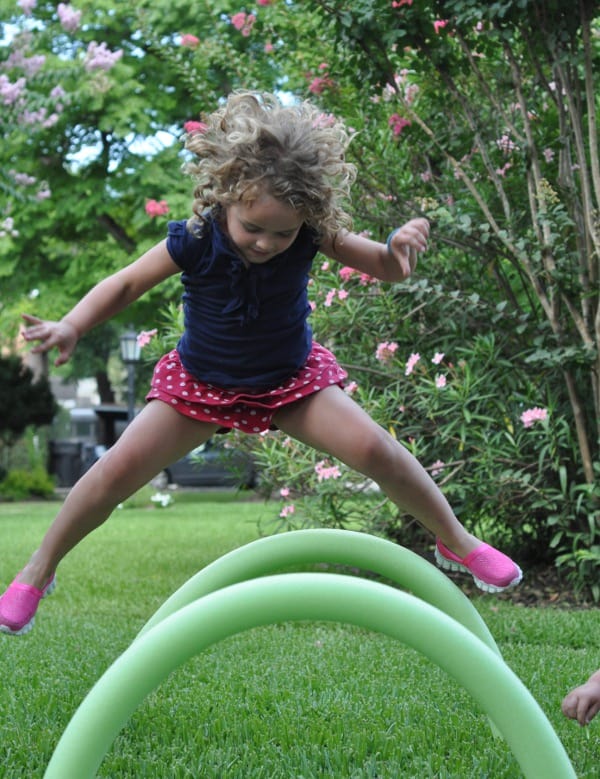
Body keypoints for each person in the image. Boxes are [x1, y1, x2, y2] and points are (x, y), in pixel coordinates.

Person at [0, 90, 522, 636]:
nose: (268, 243)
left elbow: (384, 266)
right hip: (199, 384)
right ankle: (39, 569)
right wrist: (72, 325)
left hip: (291, 381)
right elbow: (125, 282)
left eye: (283, 232)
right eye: (253, 227)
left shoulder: (311, 234)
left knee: (375, 448)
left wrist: (396, 250)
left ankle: (456, 540)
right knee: (114, 473)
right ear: (226, 196)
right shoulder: (197, 238)